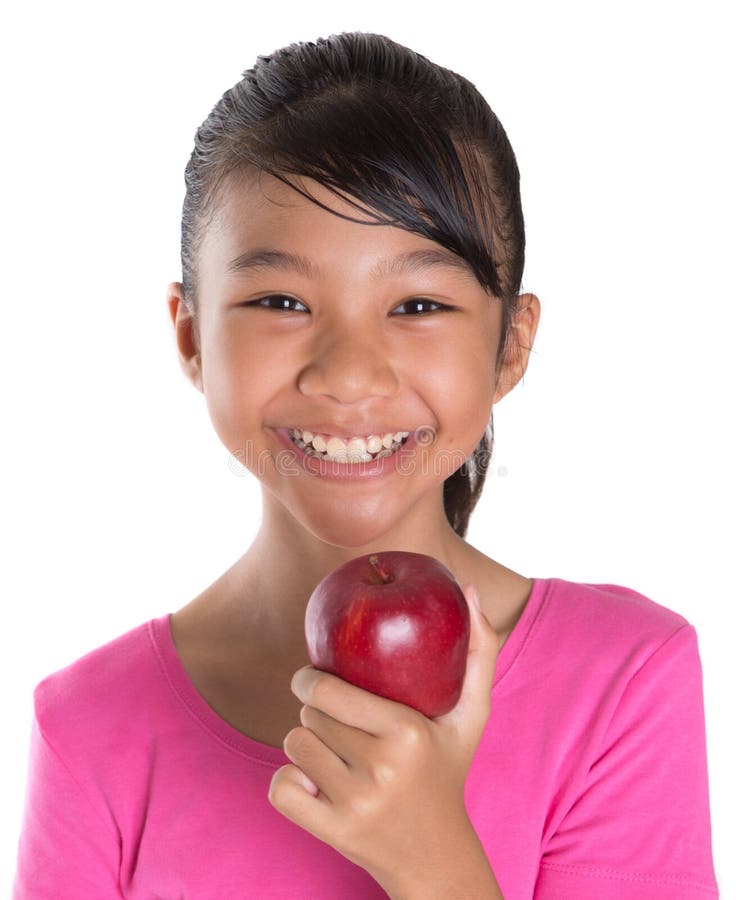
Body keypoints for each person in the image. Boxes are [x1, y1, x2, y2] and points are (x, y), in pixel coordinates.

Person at [12, 31, 719, 899]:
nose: (348, 374)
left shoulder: (620, 683)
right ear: (192, 335)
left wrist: (431, 856)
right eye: (280, 301)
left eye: (418, 304)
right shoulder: (88, 727)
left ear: (511, 345)